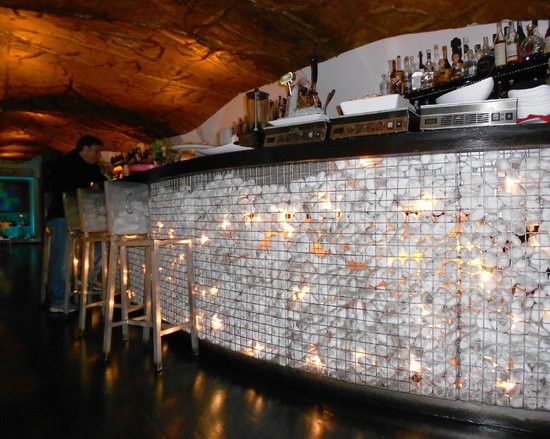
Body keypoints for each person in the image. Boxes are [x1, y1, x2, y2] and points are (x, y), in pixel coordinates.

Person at [46, 135, 106, 313]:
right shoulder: (66, 164)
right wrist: (93, 189)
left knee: (99, 241)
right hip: (61, 215)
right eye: (96, 150)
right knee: (62, 256)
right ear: (84, 149)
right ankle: (58, 299)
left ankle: (86, 281)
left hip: (79, 218)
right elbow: (68, 189)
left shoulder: (90, 166)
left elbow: (102, 181)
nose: (98, 155)